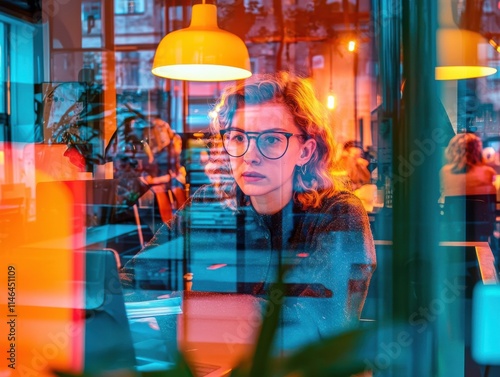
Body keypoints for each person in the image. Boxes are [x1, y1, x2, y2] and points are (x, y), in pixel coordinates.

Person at [123, 71, 376, 354]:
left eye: (270, 140)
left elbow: (312, 327)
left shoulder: (338, 214)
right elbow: (136, 277)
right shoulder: (210, 203)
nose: (249, 155)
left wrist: (178, 311)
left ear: (305, 151)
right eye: (238, 137)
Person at [440, 132, 497, 199]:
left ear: (452, 149)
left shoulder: (444, 172)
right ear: (477, 149)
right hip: (480, 209)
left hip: (452, 209)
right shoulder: (488, 172)